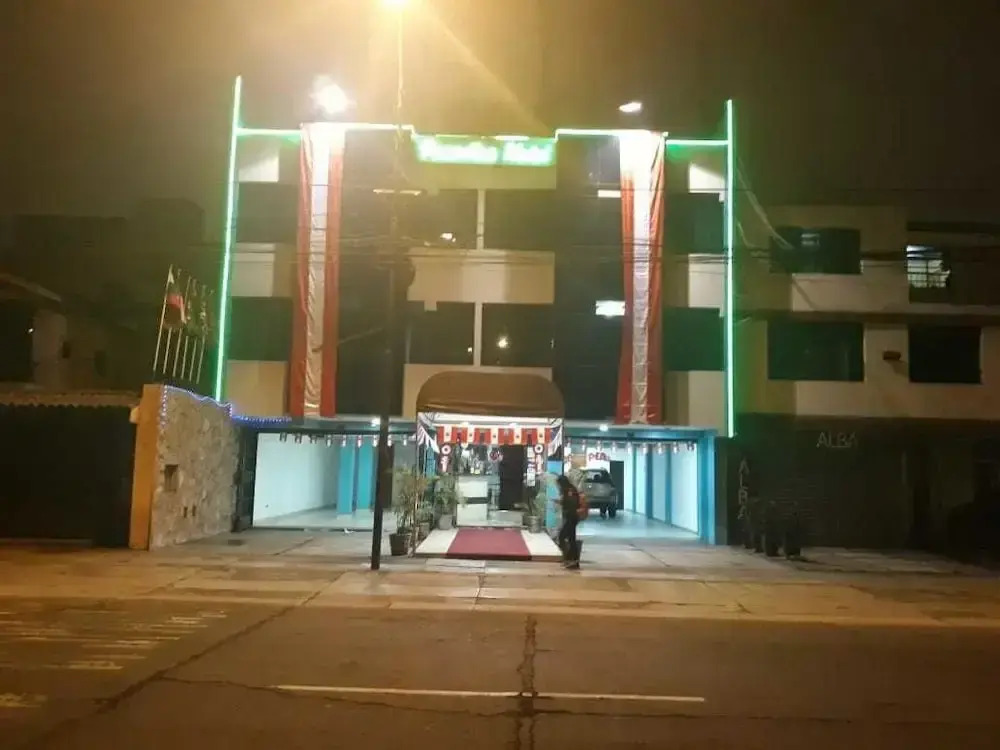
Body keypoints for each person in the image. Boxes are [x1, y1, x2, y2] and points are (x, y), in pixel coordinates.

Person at [556, 474, 581, 569]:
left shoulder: (570, 490)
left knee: (563, 537)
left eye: (559, 484)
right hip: (571, 517)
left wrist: (563, 503)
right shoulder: (569, 490)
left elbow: (572, 503)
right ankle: (572, 559)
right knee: (571, 539)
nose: (558, 487)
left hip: (572, 517)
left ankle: (570, 558)